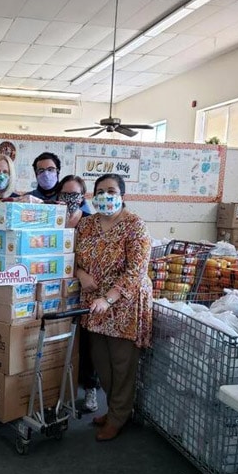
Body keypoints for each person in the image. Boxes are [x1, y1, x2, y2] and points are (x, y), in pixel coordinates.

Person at [75, 174, 153, 441]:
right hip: (93, 307)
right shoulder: (86, 226)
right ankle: (115, 410)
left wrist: (108, 298)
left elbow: (136, 271)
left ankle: (118, 417)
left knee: (122, 365)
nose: (105, 196)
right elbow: (70, 256)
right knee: (101, 363)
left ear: (122, 195)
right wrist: (80, 274)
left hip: (124, 306)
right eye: (100, 191)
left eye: (111, 191)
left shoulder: (135, 226)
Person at [57, 175, 99, 412]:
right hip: (56, 288)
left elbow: (94, 261)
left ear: (83, 197)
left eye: (74, 195)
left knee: (86, 341)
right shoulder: (53, 219)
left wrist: (80, 273)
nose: (69, 199)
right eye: (65, 194)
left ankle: (90, 387)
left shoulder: (90, 222)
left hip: (83, 289)